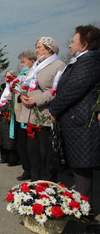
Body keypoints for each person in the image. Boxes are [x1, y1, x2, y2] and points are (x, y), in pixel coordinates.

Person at [49, 25, 100, 205]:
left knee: (82, 167)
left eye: (73, 42)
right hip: (76, 120)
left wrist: (54, 109)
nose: (70, 45)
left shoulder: (89, 61)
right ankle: (81, 207)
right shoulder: (84, 60)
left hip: (81, 122)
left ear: (84, 45)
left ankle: (85, 211)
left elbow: (73, 89)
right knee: (79, 166)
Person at [19, 37, 66, 182]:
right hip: (30, 115)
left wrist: (37, 99)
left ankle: (47, 184)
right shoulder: (36, 66)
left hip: (45, 115)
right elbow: (25, 85)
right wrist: (22, 96)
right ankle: (35, 182)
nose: (36, 50)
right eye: (36, 47)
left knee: (45, 153)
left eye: (39, 47)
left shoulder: (59, 65)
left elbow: (58, 90)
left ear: (49, 49)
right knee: (33, 153)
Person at [15, 50, 37, 181]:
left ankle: (31, 170)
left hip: (28, 114)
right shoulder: (21, 76)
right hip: (19, 114)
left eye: (24, 62)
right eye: (21, 62)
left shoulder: (32, 75)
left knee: (28, 146)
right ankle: (27, 169)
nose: (22, 65)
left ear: (32, 62)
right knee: (21, 144)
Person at [0, 70, 19, 166]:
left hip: (8, 115)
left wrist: (2, 109)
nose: (6, 78)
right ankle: (4, 157)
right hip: (0, 116)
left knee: (9, 138)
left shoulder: (14, 88)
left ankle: (13, 159)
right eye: (5, 77)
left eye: (8, 77)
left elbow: (11, 102)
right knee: (1, 137)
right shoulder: (5, 88)